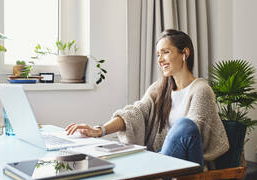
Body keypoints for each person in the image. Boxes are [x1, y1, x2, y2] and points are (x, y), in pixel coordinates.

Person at [66, 29, 229, 168]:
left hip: (189, 173)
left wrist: (155, 157)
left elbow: (192, 136)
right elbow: (135, 113)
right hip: (165, 168)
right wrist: (99, 130)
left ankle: (147, 172)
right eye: (158, 54)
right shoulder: (159, 89)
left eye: (166, 52)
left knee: (185, 126)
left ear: (185, 53)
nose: (160, 60)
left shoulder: (201, 89)